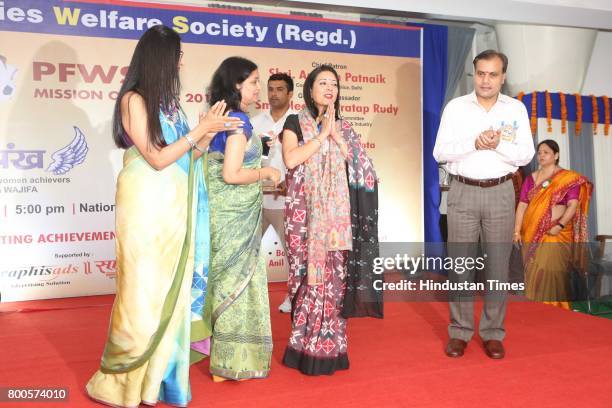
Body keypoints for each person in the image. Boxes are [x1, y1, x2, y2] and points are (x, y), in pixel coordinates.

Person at [86, 26, 242, 407]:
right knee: (141, 295)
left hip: (174, 210)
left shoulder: (171, 107)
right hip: (145, 209)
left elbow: (185, 157)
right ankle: (120, 383)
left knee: (171, 290)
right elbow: (156, 158)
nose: (182, 62)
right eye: (178, 55)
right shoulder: (134, 101)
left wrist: (207, 135)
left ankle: (159, 382)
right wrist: (198, 132)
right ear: (161, 59)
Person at [433, 50, 535, 360]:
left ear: (503, 77)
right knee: (461, 266)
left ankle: (493, 333)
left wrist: (498, 143)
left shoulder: (515, 109)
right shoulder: (456, 108)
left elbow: (526, 155)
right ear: (473, 74)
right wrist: (474, 143)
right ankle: (460, 332)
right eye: (480, 73)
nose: (486, 80)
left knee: (496, 267)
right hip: (462, 192)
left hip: (501, 192)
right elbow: (440, 152)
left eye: (493, 74)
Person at [281, 65, 382, 376]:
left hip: (337, 224)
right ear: (309, 90)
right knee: (307, 280)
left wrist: (337, 139)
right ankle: (302, 347)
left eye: (334, 84)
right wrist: (322, 135)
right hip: (304, 216)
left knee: (334, 284)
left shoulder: (346, 129)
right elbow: (291, 159)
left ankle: (332, 349)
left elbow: (367, 173)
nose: (329, 88)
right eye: (322, 83)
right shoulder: (295, 122)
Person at [199, 57, 281, 382]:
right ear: (236, 85)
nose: (258, 88)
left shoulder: (230, 120)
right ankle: (232, 361)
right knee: (236, 286)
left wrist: (259, 150)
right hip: (233, 215)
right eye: (253, 82)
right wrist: (266, 170)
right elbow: (232, 174)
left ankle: (223, 355)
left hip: (225, 213)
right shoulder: (237, 121)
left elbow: (223, 163)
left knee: (225, 284)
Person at [513, 139, 592, 309]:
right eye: (539, 152)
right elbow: (522, 206)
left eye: (546, 152)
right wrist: (517, 230)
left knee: (551, 271)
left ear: (556, 155)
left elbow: (573, 205)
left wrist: (560, 225)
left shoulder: (568, 178)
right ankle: (534, 306)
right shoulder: (531, 179)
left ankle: (555, 308)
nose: (541, 155)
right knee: (533, 271)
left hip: (556, 233)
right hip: (530, 233)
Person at [251, 72, 295, 313]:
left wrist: (290, 182)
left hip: (286, 200)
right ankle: (247, 300)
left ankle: (293, 296)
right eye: (271, 89)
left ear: (290, 94)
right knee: (248, 252)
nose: (274, 94)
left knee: (292, 253)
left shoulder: (299, 121)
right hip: (255, 198)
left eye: (280, 89)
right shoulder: (256, 122)